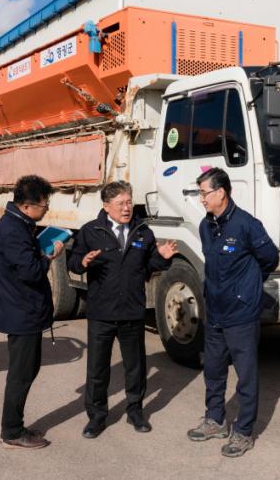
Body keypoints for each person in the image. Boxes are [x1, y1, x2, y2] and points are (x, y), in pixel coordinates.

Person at [68, 181, 178, 438]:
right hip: (101, 312)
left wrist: (162, 257)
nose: (127, 208)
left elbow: (149, 267)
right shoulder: (90, 231)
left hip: (131, 311)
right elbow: (72, 263)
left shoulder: (143, 232)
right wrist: (82, 261)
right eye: (120, 204)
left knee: (135, 367)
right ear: (106, 206)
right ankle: (96, 417)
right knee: (97, 369)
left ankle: (135, 411)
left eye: (129, 202)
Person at [187, 168, 278, 458]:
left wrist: (247, 288)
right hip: (215, 311)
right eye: (200, 193)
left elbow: (269, 259)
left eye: (204, 193)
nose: (201, 198)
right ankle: (215, 420)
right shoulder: (206, 226)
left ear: (221, 193)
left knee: (246, 376)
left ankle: (243, 432)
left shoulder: (246, 225)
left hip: (241, 313)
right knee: (213, 371)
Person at [0, 174, 64, 450]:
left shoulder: (17, 224)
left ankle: (15, 426)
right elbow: (30, 271)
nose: (46, 209)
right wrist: (48, 257)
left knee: (26, 371)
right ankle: (11, 431)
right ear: (28, 205)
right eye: (44, 205)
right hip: (20, 311)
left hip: (22, 309)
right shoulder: (13, 230)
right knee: (21, 374)